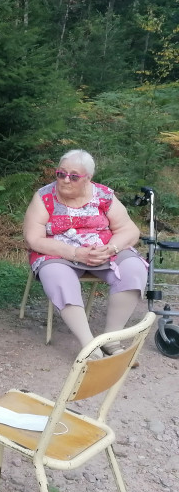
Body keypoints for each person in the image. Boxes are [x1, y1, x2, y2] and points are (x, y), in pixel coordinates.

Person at [23, 149, 147, 355]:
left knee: (134, 270)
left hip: (102, 249)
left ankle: (111, 339)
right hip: (59, 252)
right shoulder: (44, 196)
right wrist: (75, 253)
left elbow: (130, 229)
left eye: (73, 176)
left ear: (88, 178)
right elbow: (33, 238)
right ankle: (89, 345)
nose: (65, 180)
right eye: (61, 174)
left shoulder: (104, 195)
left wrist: (111, 248)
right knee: (58, 277)